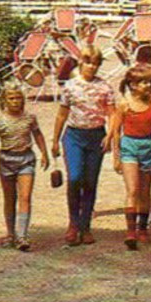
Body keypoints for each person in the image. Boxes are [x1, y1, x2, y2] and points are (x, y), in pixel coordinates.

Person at [51, 47, 116, 245]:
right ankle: (73, 223)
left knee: (90, 181)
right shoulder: (70, 86)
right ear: (81, 63)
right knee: (75, 177)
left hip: (96, 135)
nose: (92, 67)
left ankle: (85, 226)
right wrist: (55, 139)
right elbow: (62, 113)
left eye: (96, 63)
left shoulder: (105, 87)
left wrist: (110, 135)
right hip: (74, 136)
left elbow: (112, 113)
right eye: (88, 62)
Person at [109, 62, 151, 249]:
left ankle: (143, 227)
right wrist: (116, 156)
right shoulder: (124, 104)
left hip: (148, 145)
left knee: (145, 191)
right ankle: (130, 231)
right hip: (129, 146)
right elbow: (116, 130)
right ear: (133, 84)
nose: (148, 86)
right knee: (132, 189)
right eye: (143, 82)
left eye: (149, 81)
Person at [0, 81, 50, 251]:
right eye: (11, 98)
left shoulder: (30, 118)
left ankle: (22, 235)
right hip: (6, 159)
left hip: (26, 159)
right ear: (5, 100)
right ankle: (10, 233)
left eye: (18, 98)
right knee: (9, 198)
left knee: (25, 196)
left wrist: (44, 153)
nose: (15, 102)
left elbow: (38, 135)